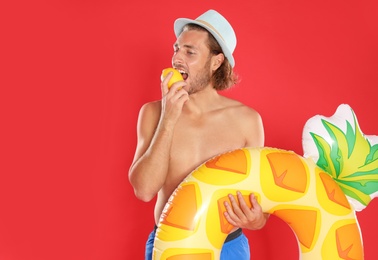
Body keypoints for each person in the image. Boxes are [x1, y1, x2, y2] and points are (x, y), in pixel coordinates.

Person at [129, 9, 268, 260]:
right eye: (176, 49)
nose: (176, 58)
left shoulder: (248, 121)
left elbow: (261, 203)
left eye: (189, 52)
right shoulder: (153, 113)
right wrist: (169, 118)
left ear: (216, 62)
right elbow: (144, 190)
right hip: (171, 245)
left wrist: (257, 219)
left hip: (228, 247)